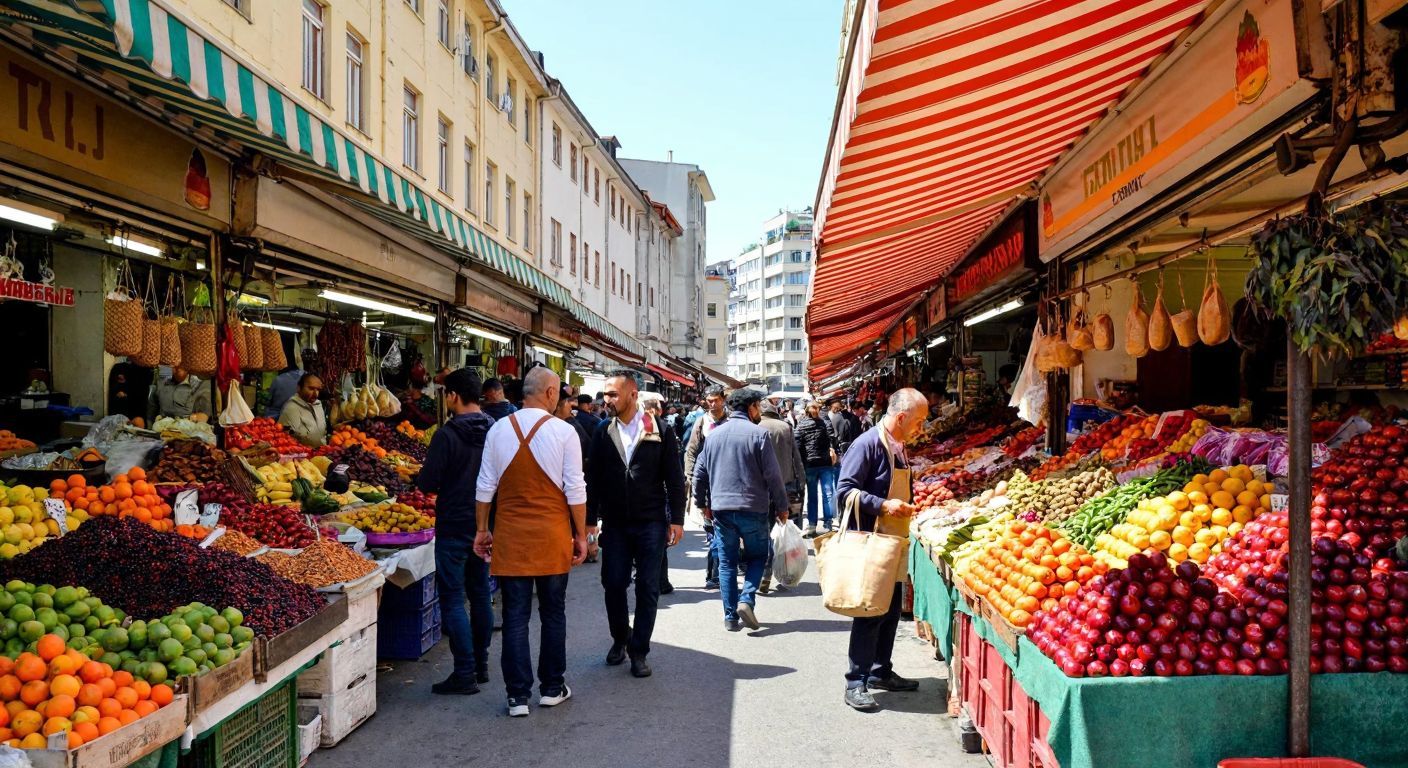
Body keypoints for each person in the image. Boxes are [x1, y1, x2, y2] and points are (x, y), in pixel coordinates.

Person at [474, 367, 588, 718]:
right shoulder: (564, 432)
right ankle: (552, 688)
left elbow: (484, 485)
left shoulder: (497, 429)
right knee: (553, 612)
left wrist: (482, 530)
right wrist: (581, 535)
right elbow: (575, 489)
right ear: (551, 393)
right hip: (552, 536)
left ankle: (517, 696)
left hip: (511, 537)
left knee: (515, 616)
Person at [835, 388, 929, 712]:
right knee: (870, 612)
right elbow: (845, 492)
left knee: (889, 611)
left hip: (893, 541)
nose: (921, 429)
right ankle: (855, 681)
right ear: (901, 417)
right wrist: (884, 504)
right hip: (871, 541)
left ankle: (880, 670)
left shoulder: (898, 446)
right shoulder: (868, 445)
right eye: (918, 422)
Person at [586, 373, 685, 678]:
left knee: (648, 587)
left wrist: (678, 519)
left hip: (651, 522)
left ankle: (639, 650)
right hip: (615, 523)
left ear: (632, 394)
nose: (607, 400)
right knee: (613, 583)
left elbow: (674, 478)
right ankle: (620, 637)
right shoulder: (603, 431)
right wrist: (590, 521)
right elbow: (594, 480)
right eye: (605, 394)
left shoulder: (659, 430)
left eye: (613, 394)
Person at [418, 369, 496, 695]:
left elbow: (428, 483)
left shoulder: (446, 435)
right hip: (485, 524)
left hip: (453, 525)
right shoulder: (495, 430)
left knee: (452, 599)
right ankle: (481, 664)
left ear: (452, 396)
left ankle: (465, 673)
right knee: (480, 593)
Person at [692, 389, 787, 632]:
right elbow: (774, 477)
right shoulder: (759, 435)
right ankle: (746, 599)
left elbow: (699, 474)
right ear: (753, 407)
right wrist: (782, 507)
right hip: (753, 508)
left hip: (722, 509)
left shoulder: (713, 436)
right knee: (757, 557)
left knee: (727, 563)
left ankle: (730, 617)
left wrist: (702, 504)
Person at [757, 400, 805, 594]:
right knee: (784, 527)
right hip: (785, 483)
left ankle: (765, 572)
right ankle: (785, 571)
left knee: (766, 529)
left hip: (761, 487)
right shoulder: (785, 427)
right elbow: (796, 456)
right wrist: (801, 481)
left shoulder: (755, 427)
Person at [684, 386, 729, 589]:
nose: (712, 404)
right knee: (712, 532)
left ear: (723, 400)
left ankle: (725, 569)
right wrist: (691, 477)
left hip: (729, 484)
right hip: (708, 485)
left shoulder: (732, 421)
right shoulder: (702, 422)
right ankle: (714, 575)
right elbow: (691, 451)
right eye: (709, 400)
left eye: (716, 400)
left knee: (727, 531)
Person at [639, 394, 677, 595]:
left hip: (648, 497)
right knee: (659, 543)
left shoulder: (659, 429)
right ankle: (660, 580)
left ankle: (657, 579)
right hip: (657, 497)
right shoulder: (662, 429)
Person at [796, 401, 838, 536]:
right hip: (823, 463)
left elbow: (797, 445)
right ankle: (827, 523)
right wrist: (831, 447)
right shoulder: (823, 421)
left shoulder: (802, 424)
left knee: (814, 495)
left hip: (812, 464)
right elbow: (832, 437)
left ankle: (814, 524)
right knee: (827, 493)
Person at [147, 366, 213, 423]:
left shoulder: (201, 378)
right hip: (160, 429)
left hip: (188, 432)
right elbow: (152, 404)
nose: (179, 364)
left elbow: (202, 417)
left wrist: (178, 423)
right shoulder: (165, 372)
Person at [277, 374, 327, 447]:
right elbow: (285, 439)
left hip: (321, 453)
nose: (315, 394)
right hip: (302, 455)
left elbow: (322, 433)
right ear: (299, 388)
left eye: (318, 390)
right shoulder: (292, 408)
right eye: (311, 389)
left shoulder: (318, 405)